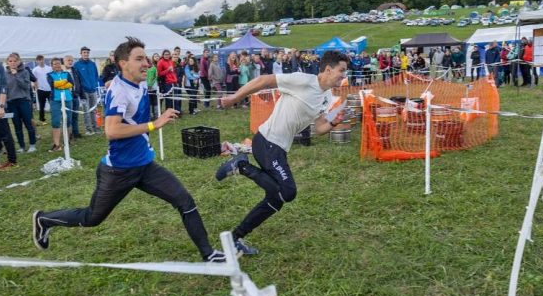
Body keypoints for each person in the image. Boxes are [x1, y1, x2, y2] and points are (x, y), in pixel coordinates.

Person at [32, 37, 225, 263]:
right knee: (92, 218)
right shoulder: (120, 91)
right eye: (139, 59)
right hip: (119, 171)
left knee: (185, 201)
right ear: (123, 63)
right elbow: (112, 130)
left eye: (146, 58)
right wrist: (154, 124)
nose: (147, 63)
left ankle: (209, 254)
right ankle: (44, 219)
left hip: (145, 165)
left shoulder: (138, 83)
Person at [214, 50, 348, 255]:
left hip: (279, 149)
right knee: (288, 192)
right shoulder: (303, 81)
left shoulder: (326, 96)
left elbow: (319, 128)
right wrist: (234, 97)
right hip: (267, 142)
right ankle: (241, 165)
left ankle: (235, 239)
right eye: (341, 70)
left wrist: (333, 123)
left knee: (276, 198)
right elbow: (264, 80)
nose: (343, 76)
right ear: (328, 70)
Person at [5, 53, 37, 153]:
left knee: (28, 123)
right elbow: (4, 89)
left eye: (15, 61)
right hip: (11, 102)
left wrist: (16, 75)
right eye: (10, 61)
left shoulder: (25, 72)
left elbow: (26, 86)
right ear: (7, 62)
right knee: (17, 125)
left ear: (19, 62)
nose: (13, 63)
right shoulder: (5, 74)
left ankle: (32, 145)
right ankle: (22, 146)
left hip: (23, 100)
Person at [47, 58, 73, 152]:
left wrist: (60, 85)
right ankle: (56, 144)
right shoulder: (49, 75)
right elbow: (53, 84)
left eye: (58, 63)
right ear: (52, 66)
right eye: (54, 64)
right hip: (55, 100)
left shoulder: (67, 73)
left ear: (61, 64)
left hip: (68, 98)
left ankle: (68, 140)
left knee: (68, 120)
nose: (57, 65)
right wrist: (64, 82)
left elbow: (71, 84)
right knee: (56, 121)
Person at [74, 47, 101, 135]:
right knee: (86, 110)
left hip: (93, 90)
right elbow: (77, 79)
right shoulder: (77, 65)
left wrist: (94, 85)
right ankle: (88, 129)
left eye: (87, 52)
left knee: (94, 109)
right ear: (81, 53)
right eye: (84, 52)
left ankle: (96, 128)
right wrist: (81, 89)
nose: (86, 54)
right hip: (84, 91)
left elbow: (96, 75)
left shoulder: (92, 64)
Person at [64, 55, 84, 139]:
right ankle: (69, 134)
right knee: (68, 116)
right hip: (66, 96)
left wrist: (81, 95)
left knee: (75, 115)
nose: (70, 62)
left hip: (75, 95)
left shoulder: (75, 70)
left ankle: (76, 132)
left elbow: (79, 82)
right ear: (64, 61)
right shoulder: (62, 71)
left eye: (71, 60)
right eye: (68, 60)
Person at [32, 55, 52, 125]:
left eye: (42, 59)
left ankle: (55, 118)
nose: (41, 61)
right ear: (37, 61)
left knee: (53, 105)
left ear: (44, 59)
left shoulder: (49, 68)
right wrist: (36, 87)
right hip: (40, 90)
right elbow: (33, 80)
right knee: (41, 106)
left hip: (50, 89)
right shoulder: (35, 70)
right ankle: (42, 120)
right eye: (39, 60)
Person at [147, 53, 160, 119]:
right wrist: (148, 85)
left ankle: (156, 114)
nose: (148, 62)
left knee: (155, 101)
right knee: (149, 102)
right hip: (147, 88)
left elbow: (156, 77)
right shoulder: (144, 69)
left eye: (149, 61)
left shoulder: (154, 68)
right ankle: (150, 115)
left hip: (154, 87)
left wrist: (151, 84)